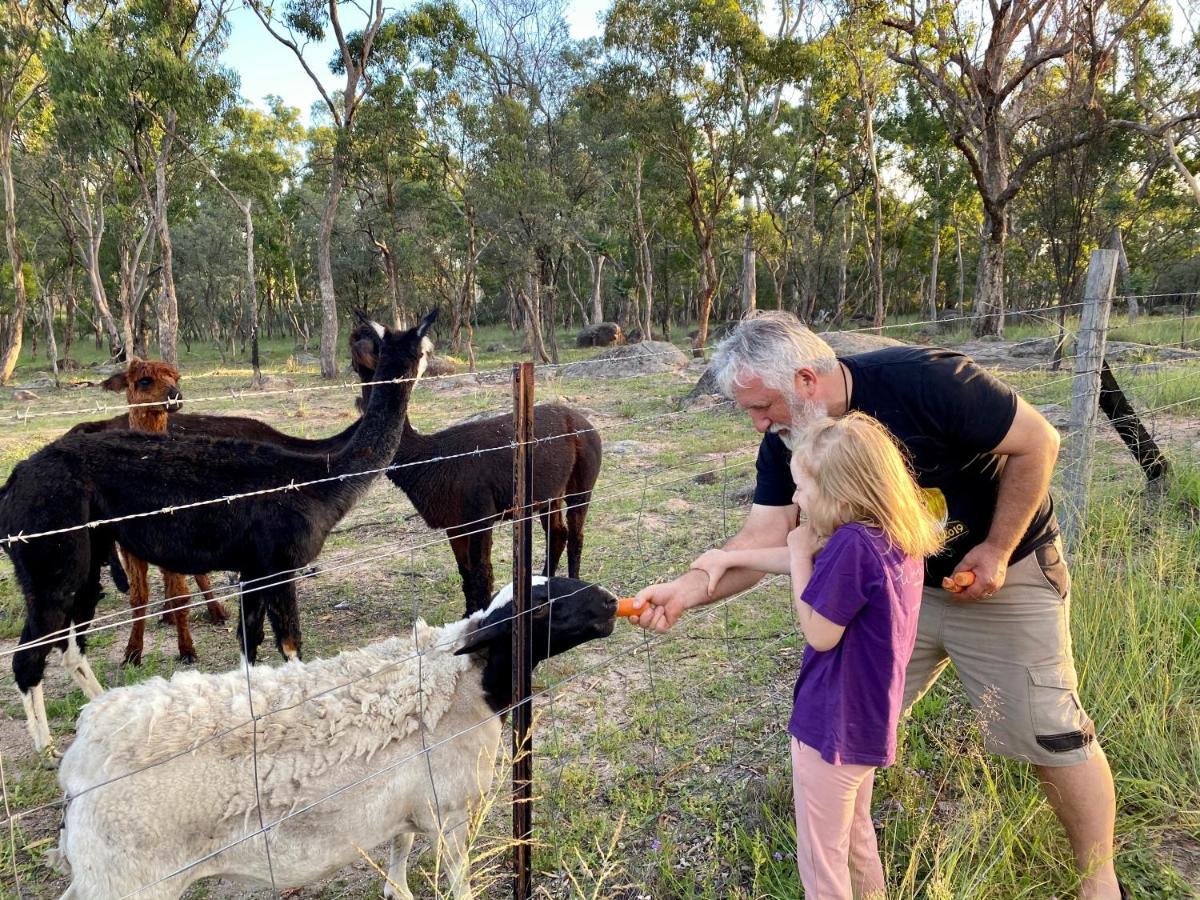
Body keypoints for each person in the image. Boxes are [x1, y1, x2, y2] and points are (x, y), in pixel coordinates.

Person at [631, 311, 1121, 900]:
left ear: (807, 381)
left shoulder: (928, 381)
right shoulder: (788, 441)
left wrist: (995, 549)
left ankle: (1100, 884)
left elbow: (1039, 443)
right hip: (884, 597)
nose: (759, 424)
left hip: (1002, 572)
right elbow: (764, 539)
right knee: (847, 741)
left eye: (763, 407)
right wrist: (686, 590)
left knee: (1051, 735)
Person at [691, 413, 942, 899]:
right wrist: (732, 557)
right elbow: (803, 554)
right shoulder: (889, 533)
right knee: (856, 839)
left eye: (802, 489)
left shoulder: (850, 544)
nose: (796, 500)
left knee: (822, 865)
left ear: (840, 497)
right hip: (867, 722)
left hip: (830, 726)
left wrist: (799, 551)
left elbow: (819, 632)